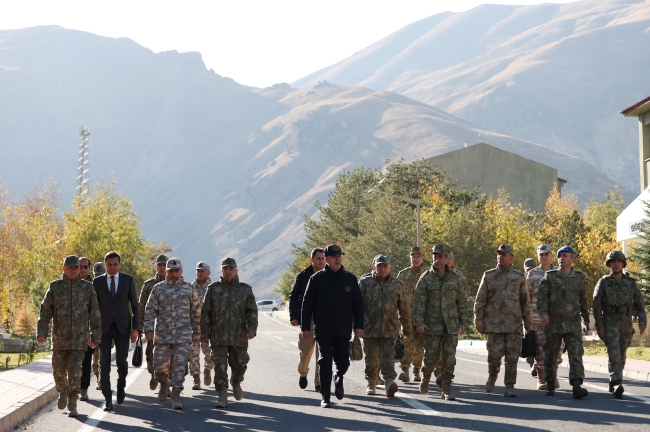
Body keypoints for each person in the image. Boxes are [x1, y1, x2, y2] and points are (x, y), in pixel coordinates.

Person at [37, 256, 102, 417]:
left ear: (80, 269)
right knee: (58, 372)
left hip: (79, 340)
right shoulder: (55, 287)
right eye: (70, 267)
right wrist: (41, 332)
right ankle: (63, 391)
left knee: (75, 372)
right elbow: (45, 311)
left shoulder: (87, 288)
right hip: (60, 339)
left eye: (76, 267)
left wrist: (96, 335)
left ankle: (73, 401)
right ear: (63, 268)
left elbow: (94, 313)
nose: (73, 270)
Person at [301, 244, 364, 408]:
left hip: (343, 329)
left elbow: (358, 304)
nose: (338, 258)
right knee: (324, 362)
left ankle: (339, 376)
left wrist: (358, 326)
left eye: (340, 256)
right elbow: (307, 305)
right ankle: (325, 396)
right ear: (327, 260)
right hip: (323, 329)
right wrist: (305, 328)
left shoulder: (350, 278)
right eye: (334, 256)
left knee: (343, 363)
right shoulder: (316, 279)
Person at [474, 243, 532, 397]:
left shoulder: (519, 277)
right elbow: (480, 300)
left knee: (512, 358)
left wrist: (528, 324)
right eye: (499, 253)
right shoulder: (488, 275)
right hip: (494, 326)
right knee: (493, 356)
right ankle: (492, 376)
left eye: (504, 254)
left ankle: (509, 386)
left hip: (513, 325)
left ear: (511, 257)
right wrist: (478, 321)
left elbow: (525, 302)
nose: (500, 256)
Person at [413, 245, 469, 401]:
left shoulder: (455, 278)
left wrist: (464, 321)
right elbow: (418, 303)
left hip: (450, 325)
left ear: (447, 259)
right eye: (435, 257)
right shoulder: (426, 278)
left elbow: (461, 302)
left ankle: (446, 388)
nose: (437, 260)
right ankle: (425, 378)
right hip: (432, 326)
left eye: (440, 257)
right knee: (431, 357)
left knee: (449, 358)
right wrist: (419, 322)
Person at [201, 257, 258, 409]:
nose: (228, 271)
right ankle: (222, 394)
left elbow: (252, 311)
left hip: (239, 336)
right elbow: (205, 312)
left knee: (240, 364)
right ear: (221, 271)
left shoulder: (245, 289)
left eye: (230, 269)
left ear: (236, 271)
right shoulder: (213, 289)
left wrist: (252, 328)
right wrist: (204, 334)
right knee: (220, 366)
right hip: (218, 336)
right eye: (225, 269)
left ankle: (236, 381)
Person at [144, 258, 200, 409]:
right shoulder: (158, 289)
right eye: (171, 271)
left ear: (181, 271)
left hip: (182, 337)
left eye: (177, 271)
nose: (174, 274)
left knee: (179, 367)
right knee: (159, 367)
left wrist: (196, 334)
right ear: (166, 271)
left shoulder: (189, 289)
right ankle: (163, 383)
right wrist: (148, 328)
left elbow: (196, 312)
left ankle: (176, 396)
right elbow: (149, 310)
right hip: (162, 336)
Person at [592, 250, 647, 398]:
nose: (615, 264)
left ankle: (614, 381)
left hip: (626, 322)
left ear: (623, 264)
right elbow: (596, 305)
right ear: (609, 264)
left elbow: (640, 303)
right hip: (610, 321)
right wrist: (599, 326)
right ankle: (617, 382)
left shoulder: (631, 283)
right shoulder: (603, 282)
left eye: (618, 261)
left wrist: (642, 321)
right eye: (613, 262)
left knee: (622, 353)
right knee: (614, 352)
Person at [537, 246, 590, 398]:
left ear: (572, 259)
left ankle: (576, 385)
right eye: (559, 256)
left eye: (565, 256)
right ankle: (550, 384)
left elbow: (583, 300)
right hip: (553, 323)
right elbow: (542, 298)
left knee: (576, 354)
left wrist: (585, 320)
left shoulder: (579, 277)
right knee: (551, 355)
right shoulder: (550, 276)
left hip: (573, 323)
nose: (561, 258)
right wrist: (544, 313)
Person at [359, 254, 411, 397]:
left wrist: (407, 328)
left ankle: (389, 382)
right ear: (374, 267)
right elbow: (357, 306)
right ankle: (371, 382)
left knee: (388, 357)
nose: (382, 269)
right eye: (379, 266)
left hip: (390, 328)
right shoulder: (365, 283)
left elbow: (404, 308)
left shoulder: (397, 284)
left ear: (390, 268)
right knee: (371, 358)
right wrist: (355, 325)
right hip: (369, 328)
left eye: (385, 266)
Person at [93, 251, 139, 411]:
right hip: (104, 329)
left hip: (123, 327)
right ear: (105, 265)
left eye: (115, 264)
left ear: (119, 264)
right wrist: (91, 330)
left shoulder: (128, 280)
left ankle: (121, 385)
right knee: (104, 364)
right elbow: (92, 308)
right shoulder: (97, 282)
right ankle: (107, 399)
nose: (112, 268)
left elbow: (135, 305)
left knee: (121, 362)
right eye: (109, 265)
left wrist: (135, 328)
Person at [289, 247, 325, 392]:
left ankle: (319, 382)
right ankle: (303, 373)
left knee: (322, 353)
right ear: (312, 260)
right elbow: (294, 297)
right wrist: (294, 317)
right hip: (307, 319)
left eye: (323, 258)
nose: (321, 261)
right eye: (318, 259)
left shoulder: (329, 275)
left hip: (324, 319)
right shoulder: (303, 276)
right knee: (305, 352)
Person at [525, 244, 561, 390]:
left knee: (556, 349)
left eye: (547, 254)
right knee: (540, 349)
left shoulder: (558, 272)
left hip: (555, 318)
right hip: (536, 317)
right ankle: (541, 378)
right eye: (541, 254)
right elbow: (526, 296)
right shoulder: (532, 273)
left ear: (551, 255)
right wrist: (526, 319)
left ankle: (553, 376)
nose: (544, 256)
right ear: (538, 256)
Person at [396, 246, 426, 382]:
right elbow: (396, 296)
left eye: (418, 257)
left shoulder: (428, 274)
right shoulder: (403, 274)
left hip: (423, 316)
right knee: (406, 343)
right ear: (410, 258)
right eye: (413, 257)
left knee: (419, 346)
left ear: (422, 258)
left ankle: (416, 370)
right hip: (406, 316)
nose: (415, 259)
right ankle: (405, 370)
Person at [138, 254, 168, 391]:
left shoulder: (175, 284)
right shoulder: (149, 285)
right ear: (155, 266)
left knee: (170, 357)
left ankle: (166, 384)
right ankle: (154, 374)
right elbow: (141, 306)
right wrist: (139, 326)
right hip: (153, 327)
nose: (162, 267)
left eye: (164, 265)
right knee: (151, 355)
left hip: (170, 328)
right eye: (159, 265)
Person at [189, 261, 214, 390]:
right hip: (193, 327)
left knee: (211, 354)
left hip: (209, 328)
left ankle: (208, 369)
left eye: (202, 271)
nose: (200, 272)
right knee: (193, 354)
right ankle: (196, 379)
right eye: (198, 270)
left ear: (208, 273)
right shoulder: (189, 287)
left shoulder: (214, 288)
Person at [79, 257, 97, 401]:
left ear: (89, 268)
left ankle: (83, 389)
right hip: (70, 332)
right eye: (79, 266)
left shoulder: (94, 285)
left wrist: (92, 331)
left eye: (85, 267)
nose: (82, 269)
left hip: (87, 332)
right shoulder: (68, 285)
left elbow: (96, 311)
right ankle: (72, 388)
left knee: (86, 362)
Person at [92, 262, 105, 391]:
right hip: (93, 329)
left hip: (106, 330)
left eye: (101, 275)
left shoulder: (108, 289)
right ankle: (98, 377)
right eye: (96, 275)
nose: (98, 277)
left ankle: (102, 379)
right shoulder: (89, 289)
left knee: (103, 357)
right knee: (95, 359)